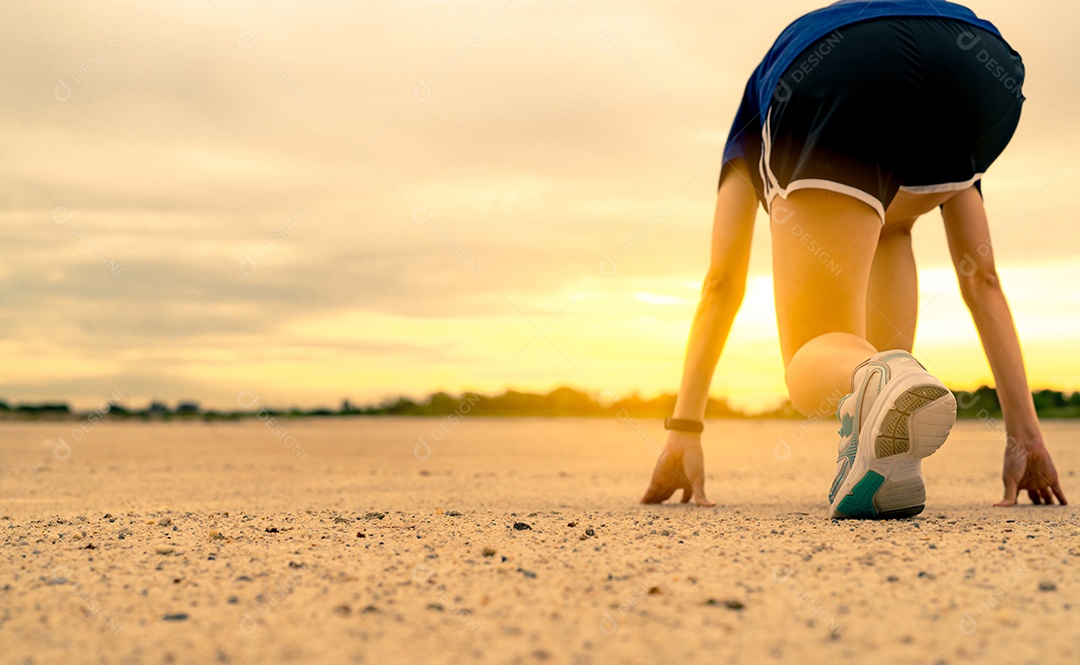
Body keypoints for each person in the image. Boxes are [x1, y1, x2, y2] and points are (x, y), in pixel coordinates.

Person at [640, 0, 1068, 516]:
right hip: (976, 68)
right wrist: (1027, 439)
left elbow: (721, 283)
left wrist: (684, 428)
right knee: (893, 226)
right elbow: (982, 277)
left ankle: (877, 376)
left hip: (835, 70)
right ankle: (884, 449)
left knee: (809, 364)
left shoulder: (755, 110)